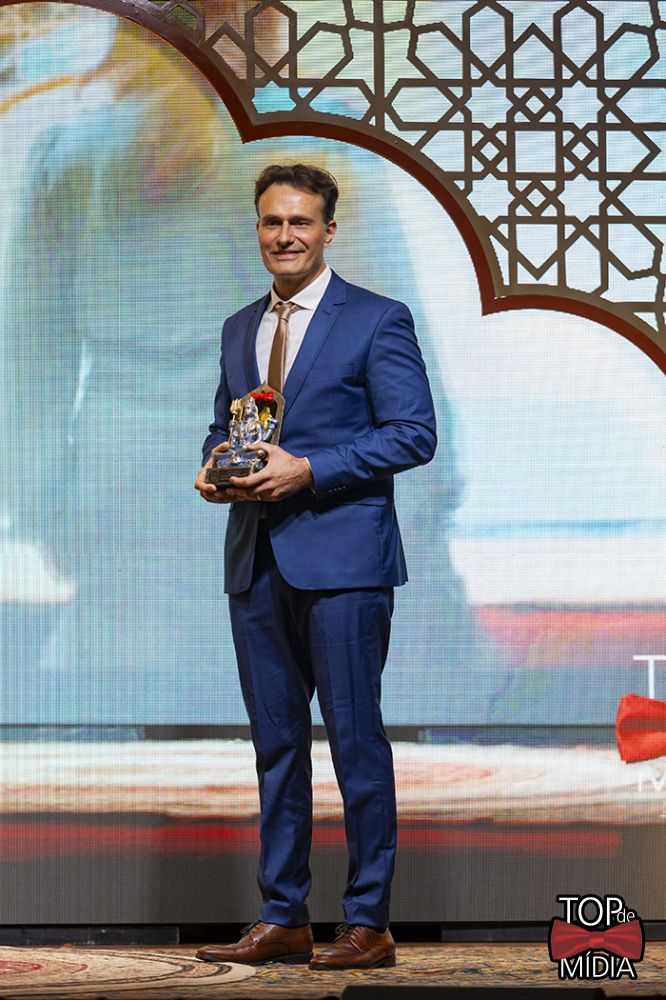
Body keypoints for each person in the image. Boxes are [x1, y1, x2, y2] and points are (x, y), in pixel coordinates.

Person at [194, 163, 437, 970]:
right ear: (257, 228)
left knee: (356, 743)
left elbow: (413, 433)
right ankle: (283, 916)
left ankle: (368, 921)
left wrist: (309, 470)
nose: (285, 235)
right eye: (272, 222)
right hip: (255, 560)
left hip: (344, 564)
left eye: (300, 222)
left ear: (330, 230)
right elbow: (225, 425)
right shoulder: (240, 327)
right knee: (276, 746)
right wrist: (214, 466)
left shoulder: (376, 318)